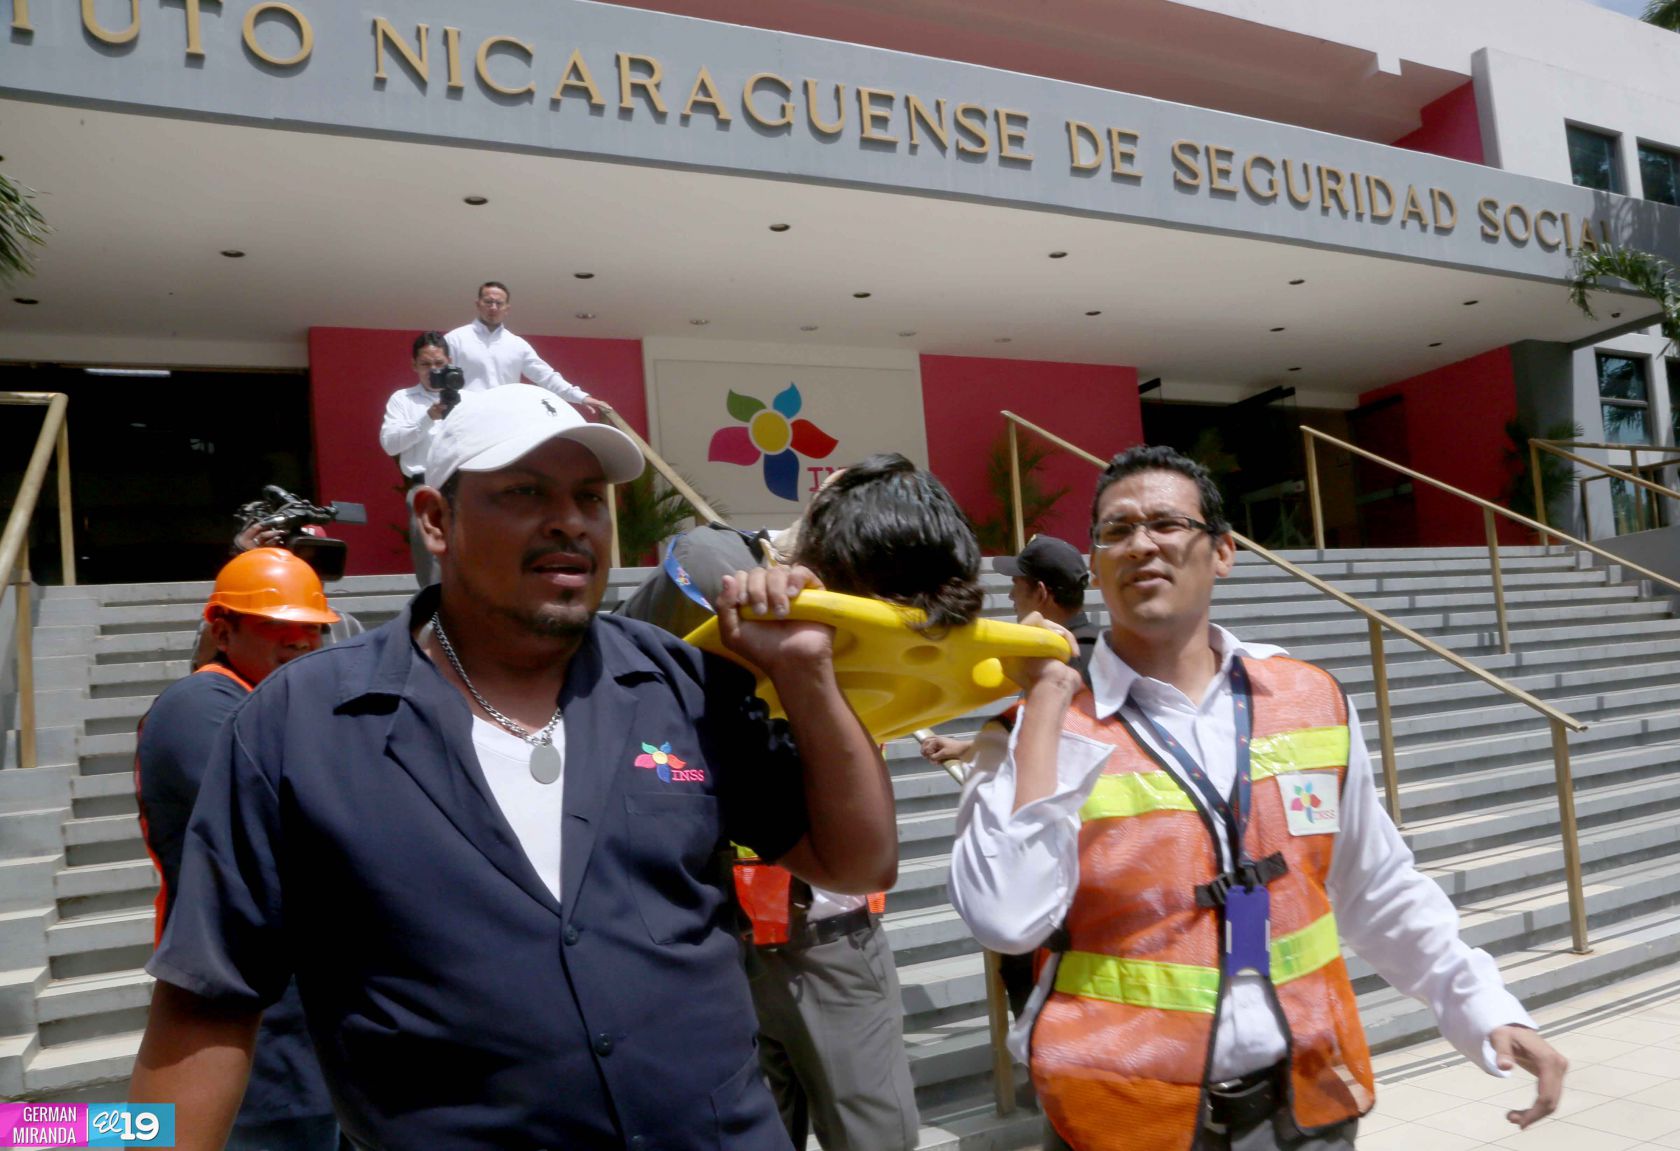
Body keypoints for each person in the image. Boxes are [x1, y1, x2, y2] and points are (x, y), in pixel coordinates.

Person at [129, 386, 898, 1151]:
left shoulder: (683, 686)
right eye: (525, 491)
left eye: (589, 497)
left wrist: (807, 674)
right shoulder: (298, 724)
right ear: (436, 519)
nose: (568, 519)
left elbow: (857, 857)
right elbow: (208, 1002)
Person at [948, 445, 1568, 1151]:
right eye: (1115, 531)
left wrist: (1484, 1006)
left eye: (1165, 522)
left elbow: (1376, 883)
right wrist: (1048, 703)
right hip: (1123, 1119)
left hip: (1304, 1107)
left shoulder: (1306, 697)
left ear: (1223, 552)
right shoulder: (1042, 719)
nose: (1141, 543)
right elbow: (1004, 917)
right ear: (1095, 566)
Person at [134, 548, 342, 1151]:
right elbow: (303, 822)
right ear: (222, 631)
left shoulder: (276, 707)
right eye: (277, 626)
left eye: (312, 628)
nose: (301, 641)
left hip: (301, 1021)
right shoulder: (201, 705)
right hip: (247, 1020)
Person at [917, 533, 1100, 769]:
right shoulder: (1082, 648)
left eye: (1016, 585)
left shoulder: (1070, 659)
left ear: (1041, 593)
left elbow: (1041, 751)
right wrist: (963, 748)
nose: (1011, 595)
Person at [445, 280, 610, 412]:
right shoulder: (455, 339)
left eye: (499, 303)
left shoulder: (517, 345)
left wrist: (581, 397)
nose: (493, 307)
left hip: (505, 419)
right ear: (478, 304)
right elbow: (437, 381)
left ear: (507, 308)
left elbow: (545, 376)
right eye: (488, 302)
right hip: (465, 418)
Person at [379, 330, 454, 584]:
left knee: (471, 554)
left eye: (439, 363)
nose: (433, 370)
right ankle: (433, 618)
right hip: (423, 487)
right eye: (425, 364)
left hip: (463, 485)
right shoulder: (403, 400)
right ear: (414, 365)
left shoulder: (470, 400)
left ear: (449, 362)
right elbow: (390, 445)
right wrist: (426, 418)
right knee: (429, 563)